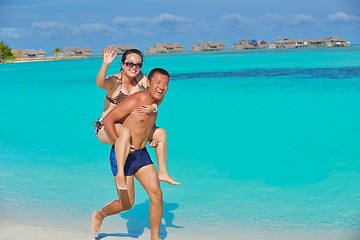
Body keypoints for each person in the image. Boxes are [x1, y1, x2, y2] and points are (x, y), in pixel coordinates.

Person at [91, 68, 170, 240]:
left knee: (157, 194)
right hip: (124, 156)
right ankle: (100, 214)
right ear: (147, 83)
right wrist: (119, 142)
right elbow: (108, 119)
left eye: (165, 84)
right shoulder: (137, 99)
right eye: (158, 83)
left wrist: (152, 134)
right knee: (126, 204)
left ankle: (155, 237)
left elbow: (144, 124)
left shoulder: (155, 102)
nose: (162, 87)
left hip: (141, 155)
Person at [94, 46, 179, 189]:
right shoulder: (115, 81)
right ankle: (121, 175)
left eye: (138, 64)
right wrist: (106, 63)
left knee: (160, 133)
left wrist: (154, 107)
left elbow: (158, 90)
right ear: (122, 64)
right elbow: (100, 83)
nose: (134, 67)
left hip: (127, 127)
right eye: (130, 64)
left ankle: (163, 172)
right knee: (124, 133)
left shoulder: (140, 79)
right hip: (106, 126)